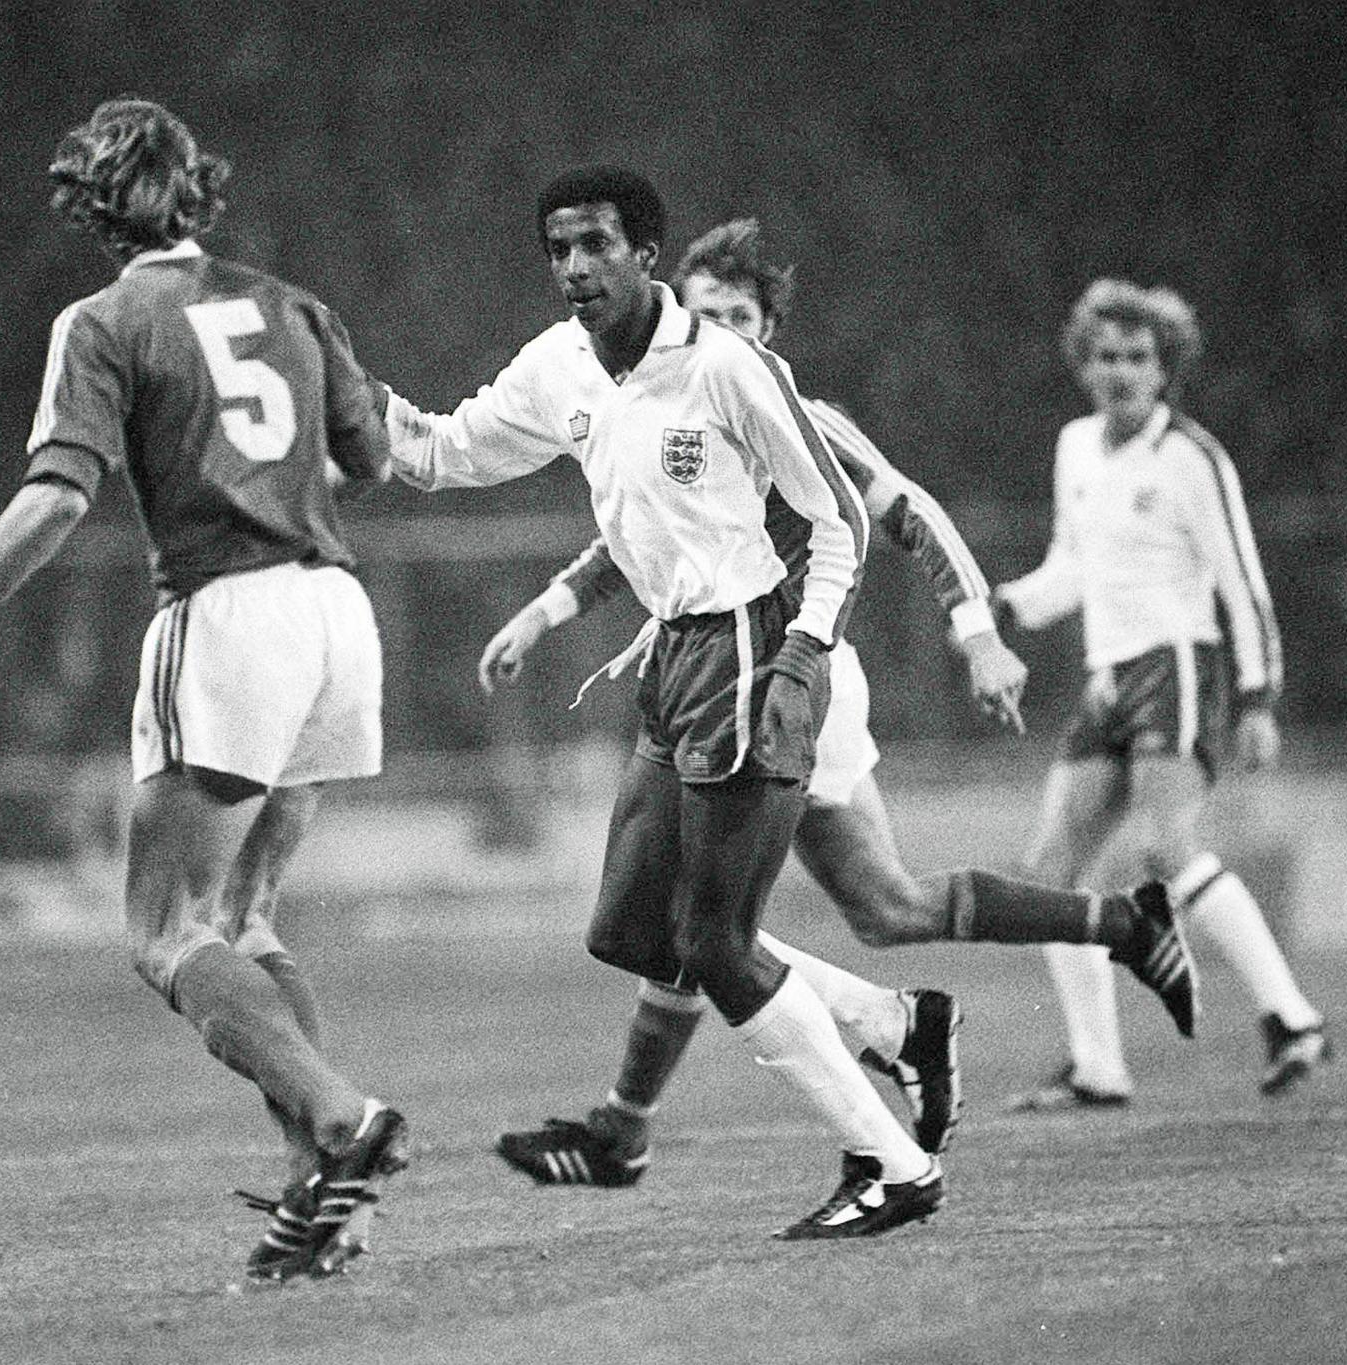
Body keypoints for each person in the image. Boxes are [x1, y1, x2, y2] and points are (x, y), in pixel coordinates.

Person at [477, 220, 1199, 1189]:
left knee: (696, 923)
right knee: (877, 908)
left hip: (787, 681)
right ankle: (1112, 929)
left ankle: (641, 1122)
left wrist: (977, 634)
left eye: (741, 314)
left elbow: (910, 514)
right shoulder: (673, 400)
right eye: (708, 311)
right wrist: (547, 608)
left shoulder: (799, 414)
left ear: (770, 326)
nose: (720, 327)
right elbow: (626, 538)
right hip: (717, 678)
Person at [0, 98, 407, 1280]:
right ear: (198, 191)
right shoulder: (296, 305)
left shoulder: (104, 321)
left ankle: (342, 1119)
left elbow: (59, 492)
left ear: (91, 206)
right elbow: (367, 459)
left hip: (229, 615)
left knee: (165, 936)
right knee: (250, 919)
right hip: (336, 613)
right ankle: (333, 1206)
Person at [993, 278, 1331, 1109]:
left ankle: (1293, 1019)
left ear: (1165, 368)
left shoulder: (1190, 457)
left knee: (1165, 848)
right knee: (1051, 868)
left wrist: (1258, 697)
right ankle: (1098, 1065)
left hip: (1177, 663)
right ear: (1083, 364)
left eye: (1138, 357)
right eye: (1105, 355)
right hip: (1109, 676)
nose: (1121, 371)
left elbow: (1240, 580)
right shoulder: (1075, 445)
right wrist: (1010, 606)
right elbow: (1074, 566)